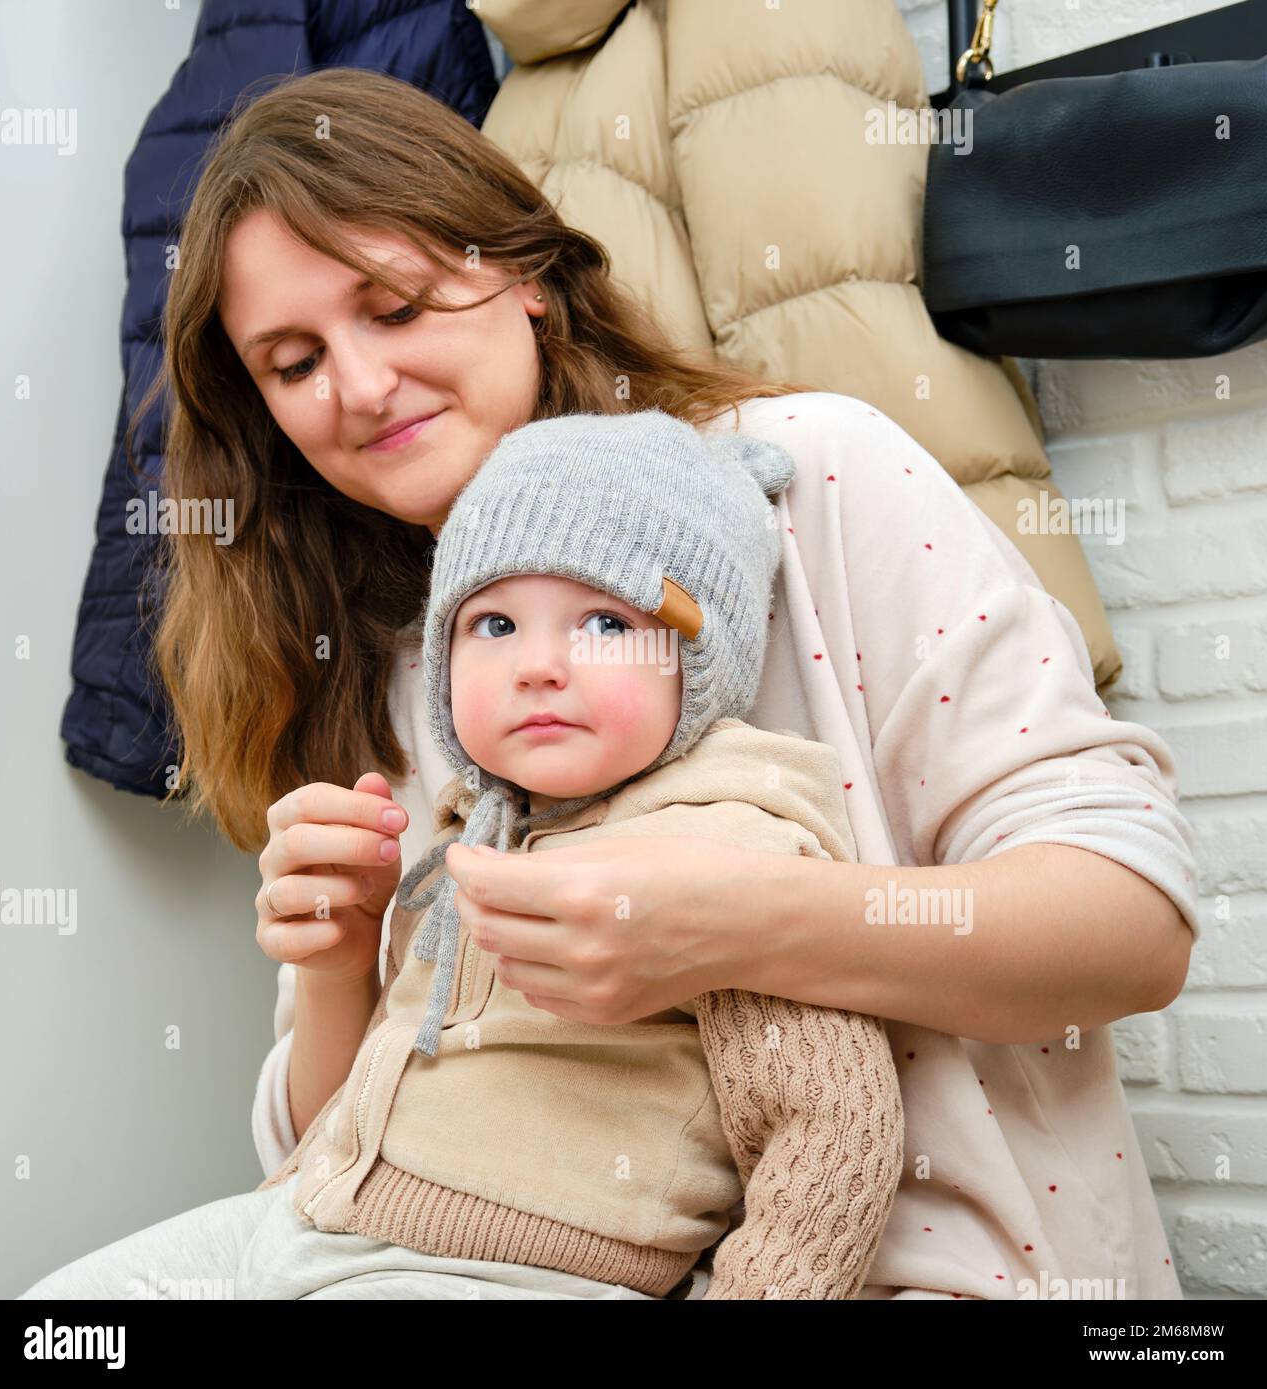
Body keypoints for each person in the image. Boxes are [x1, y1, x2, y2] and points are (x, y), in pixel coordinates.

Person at [24, 66, 1198, 1299]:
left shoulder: (810, 479)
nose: (358, 388)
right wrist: (338, 956)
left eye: (399, 306)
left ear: (525, 276)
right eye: (294, 360)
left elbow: (1130, 927)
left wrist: (734, 927)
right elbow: (340, 1168)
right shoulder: (391, 654)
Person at [255, 407, 904, 1300]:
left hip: (506, 1272)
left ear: (699, 656)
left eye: (604, 624)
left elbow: (836, 1129)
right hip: (309, 1221)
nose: (538, 665)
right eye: (494, 625)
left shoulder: (729, 837)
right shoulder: (459, 838)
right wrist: (343, 956)